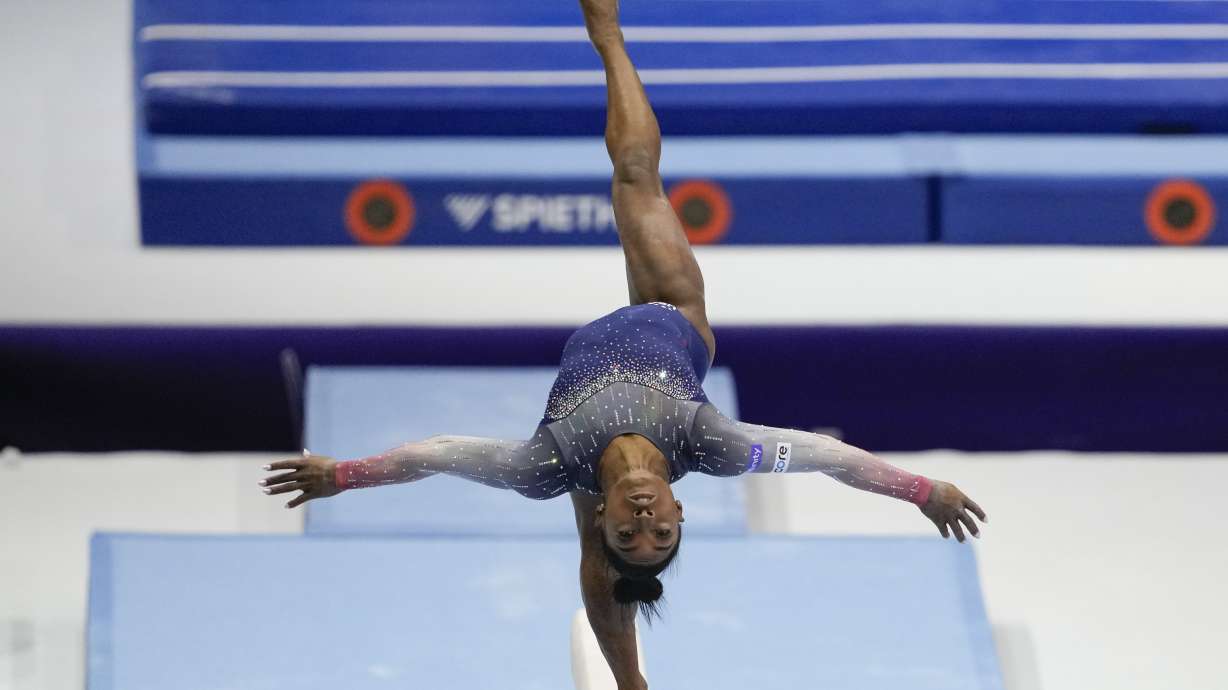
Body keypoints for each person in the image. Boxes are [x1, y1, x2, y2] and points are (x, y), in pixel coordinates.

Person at [260, 1, 986, 688]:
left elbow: (436, 455)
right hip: (671, 313)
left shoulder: (545, 465)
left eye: (628, 533)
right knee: (637, 176)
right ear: (680, 512)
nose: (642, 522)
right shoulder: (715, 445)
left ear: (608, 519)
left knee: (582, 509)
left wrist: (345, 475)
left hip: (580, 449)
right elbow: (830, 457)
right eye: (659, 533)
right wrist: (922, 490)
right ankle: (607, 28)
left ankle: (628, 672)